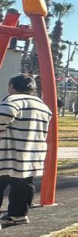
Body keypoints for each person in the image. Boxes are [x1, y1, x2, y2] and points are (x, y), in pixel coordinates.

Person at [0, 75, 52, 228]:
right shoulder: (42, 105)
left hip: (8, 153)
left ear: (11, 86)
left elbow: (4, 116)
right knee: (23, 183)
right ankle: (18, 215)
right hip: (31, 152)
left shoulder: (13, 100)